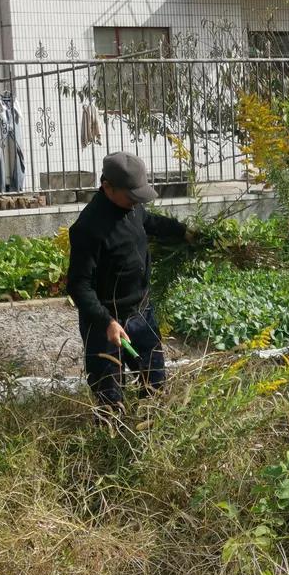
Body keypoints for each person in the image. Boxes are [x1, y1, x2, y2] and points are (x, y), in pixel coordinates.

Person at [67, 151, 195, 411]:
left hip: (141, 313)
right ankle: (112, 441)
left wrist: (184, 232)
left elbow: (150, 222)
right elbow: (78, 286)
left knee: (155, 385)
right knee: (110, 397)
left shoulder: (132, 207)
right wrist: (107, 323)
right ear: (107, 187)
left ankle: (151, 435)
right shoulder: (88, 228)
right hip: (105, 324)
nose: (137, 203)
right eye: (132, 196)